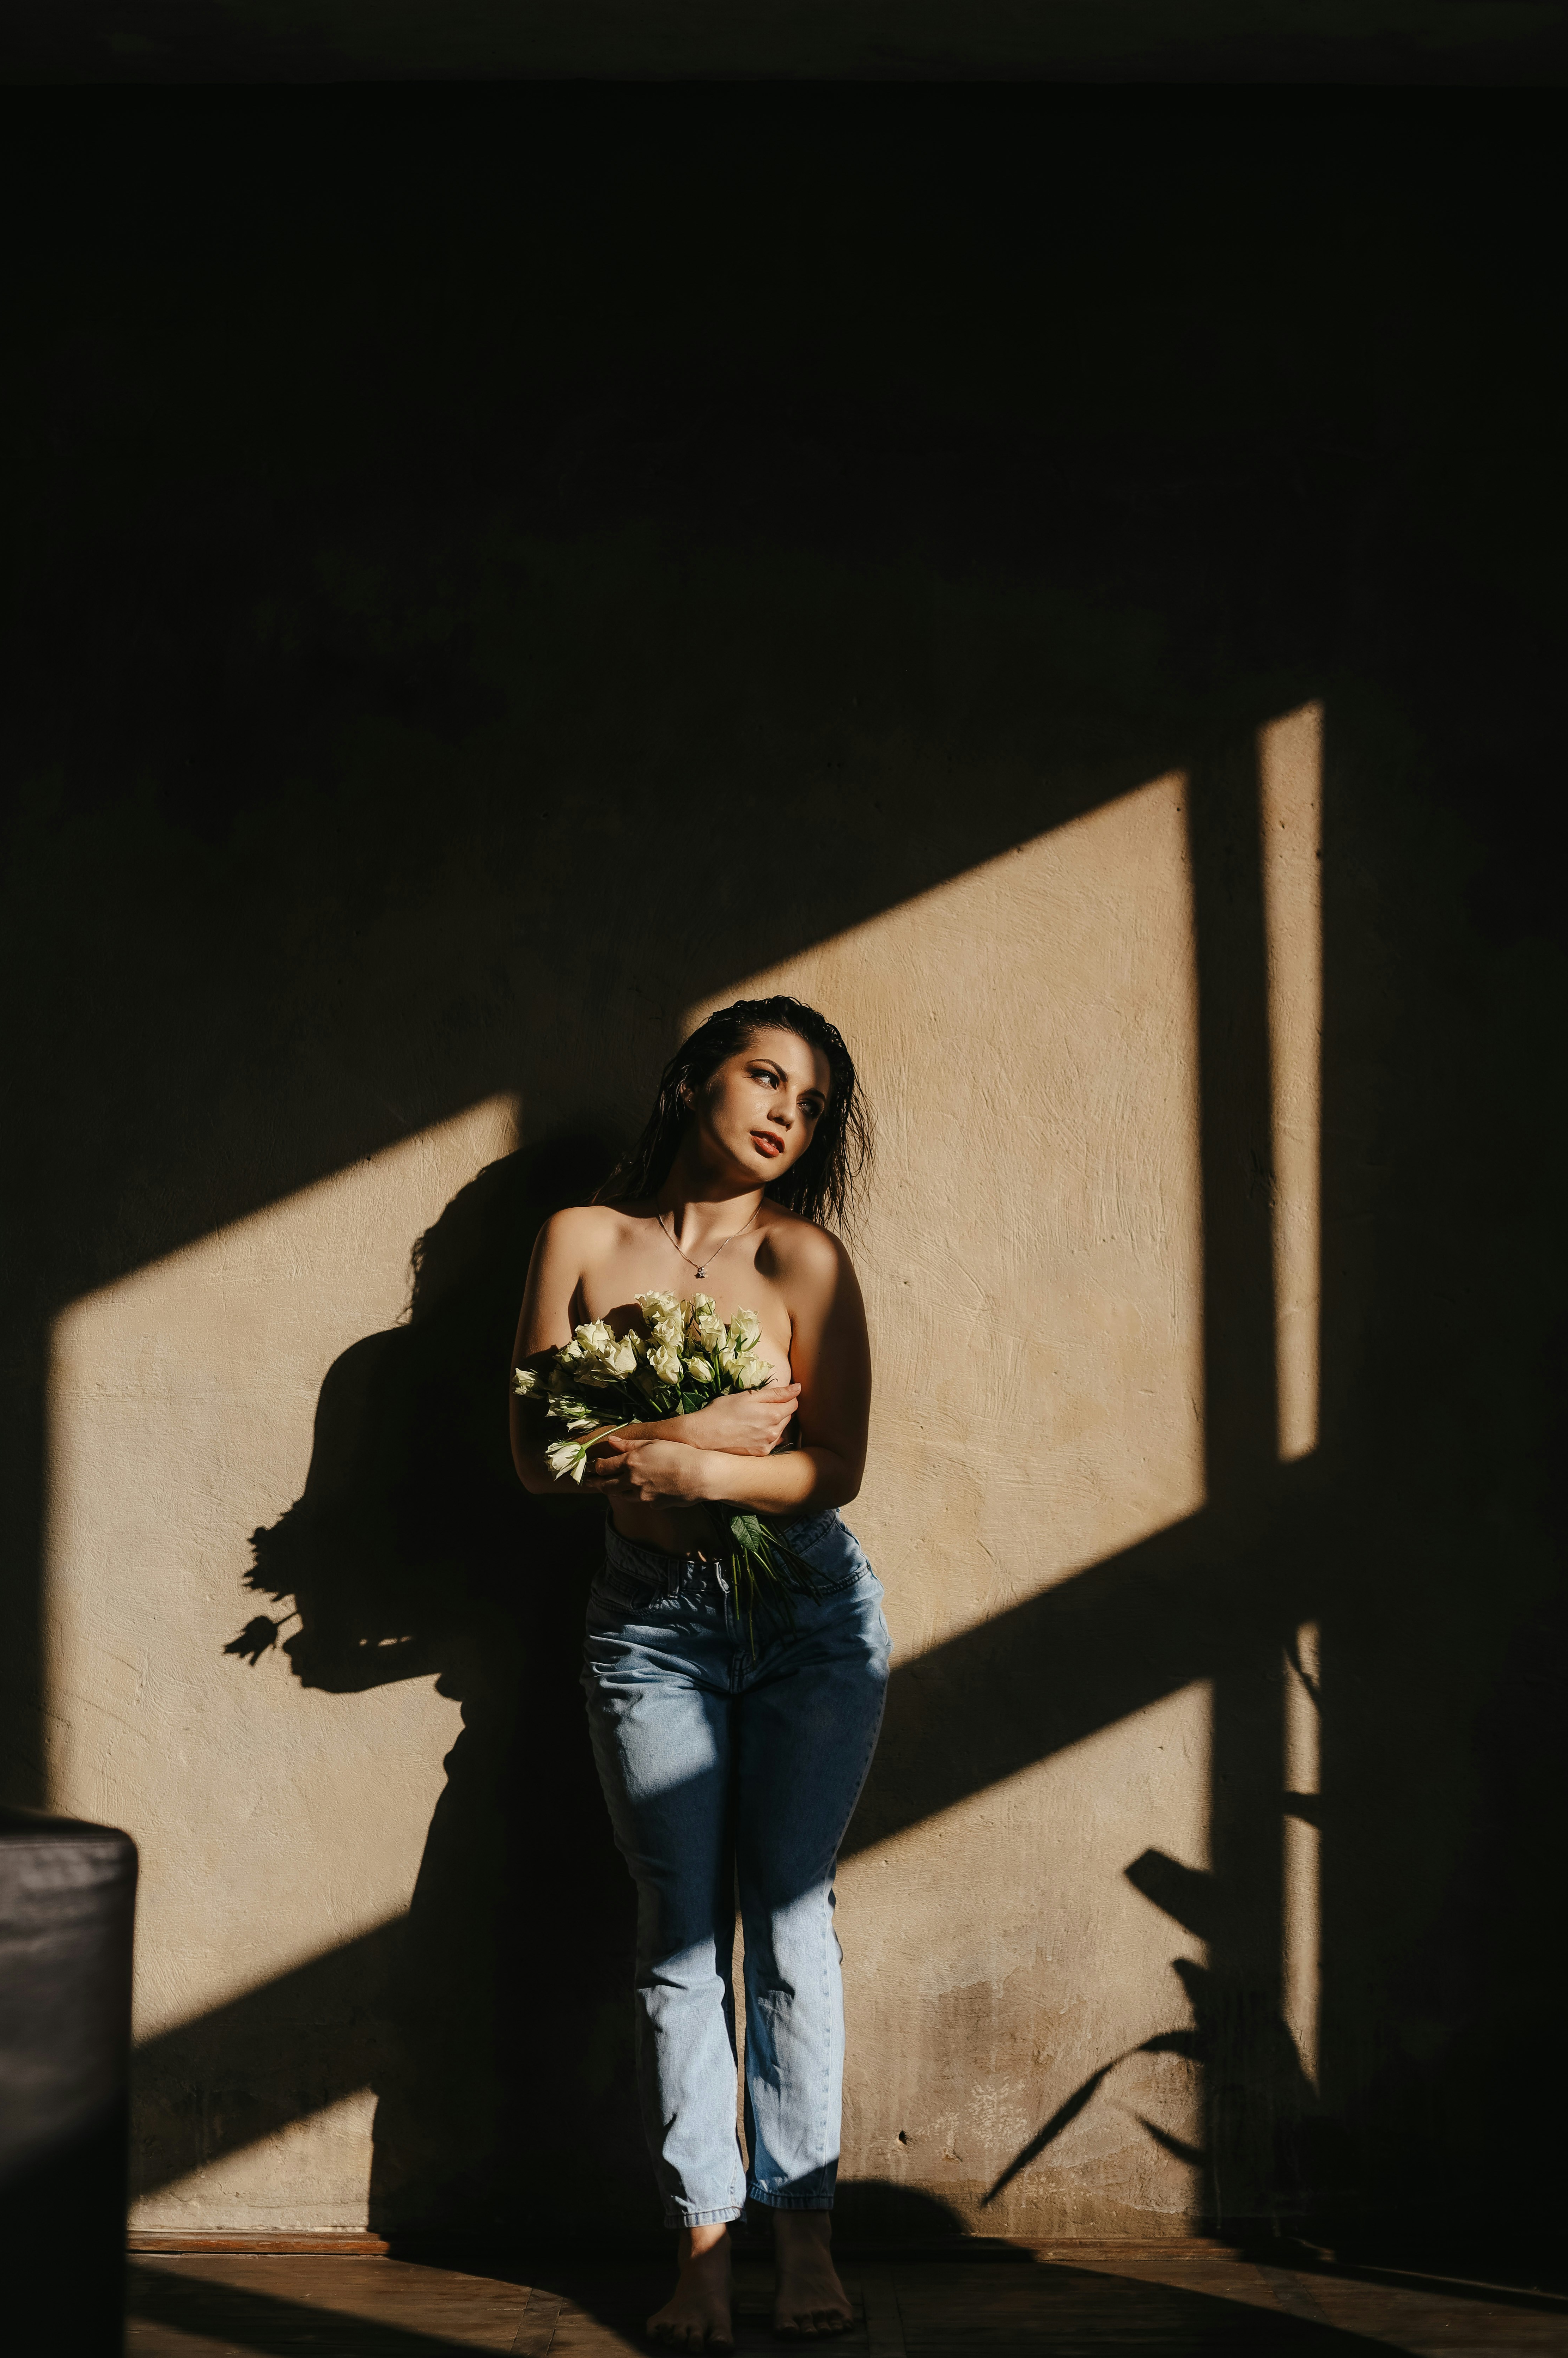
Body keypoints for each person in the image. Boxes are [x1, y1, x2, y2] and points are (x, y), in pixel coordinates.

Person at [510, 997, 888, 2349]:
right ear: (694, 1080)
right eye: (766, 1076)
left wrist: (696, 1463)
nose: (788, 1111)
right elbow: (533, 1451)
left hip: (805, 1624)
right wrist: (691, 1425)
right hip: (650, 1623)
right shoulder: (581, 1242)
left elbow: (831, 1468)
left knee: (788, 1926)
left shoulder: (804, 1259)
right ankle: (704, 2262)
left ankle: (806, 2249)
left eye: (815, 1102)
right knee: (678, 1935)